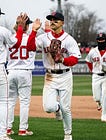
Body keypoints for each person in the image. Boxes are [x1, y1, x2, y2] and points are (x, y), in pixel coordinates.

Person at [29, 11, 81, 140]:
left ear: (62, 22)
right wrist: (34, 31)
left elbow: (75, 58)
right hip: (50, 76)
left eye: (55, 20)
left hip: (65, 76)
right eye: (51, 19)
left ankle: (68, 134)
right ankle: (56, 109)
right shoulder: (44, 38)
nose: (52, 21)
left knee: (66, 108)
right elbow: (30, 47)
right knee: (48, 108)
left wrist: (63, 60)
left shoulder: (69, 39)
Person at [6, 14, 41, 136]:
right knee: (24, 102)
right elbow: (32, 46)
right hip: (24, 72)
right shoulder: (31, 39)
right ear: (26, 26)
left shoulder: (10, 38)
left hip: (10, 71)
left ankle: (8, 128)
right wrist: (35, 31)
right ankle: (22, 129)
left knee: (10, 102)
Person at [0, 10, 26, 140]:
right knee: (3, 102)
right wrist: (20, 27)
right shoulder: (2, 31)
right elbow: (16, 43)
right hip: (0, 69)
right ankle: (2, 135)